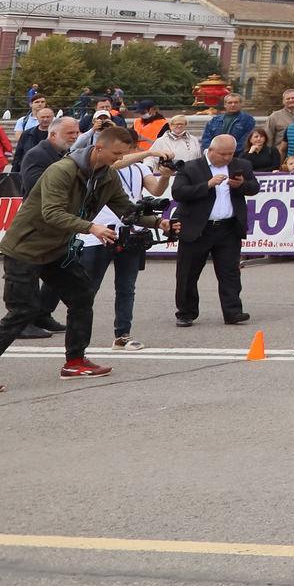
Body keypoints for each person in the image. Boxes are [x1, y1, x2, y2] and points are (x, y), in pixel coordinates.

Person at [0, 116, 145, 385]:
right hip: (25, 248)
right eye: (117, 153)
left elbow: (126, 209)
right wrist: (91, 228)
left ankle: (75, 362)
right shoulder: (62, 170)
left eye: (125, 154)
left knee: (82, 295)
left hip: (56, 250)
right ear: (99, 148)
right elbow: (52, 213)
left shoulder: (107, 175)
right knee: (23, 311)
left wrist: (159, 222)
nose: (120, 158)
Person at [83, 129, 172, 348]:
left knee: (126, 287)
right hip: (101, 233)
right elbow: (116, 165)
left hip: (131, 232)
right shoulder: (106, 166)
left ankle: (123, 334)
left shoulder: (140, 168)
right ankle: (79, 335)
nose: (128, 152)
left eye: (131, 147)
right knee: (88, 288)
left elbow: (156, 190)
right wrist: (149, 152)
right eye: (124, 149)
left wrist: (166, 175)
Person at [170, 132, 256, 330]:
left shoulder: (241, 165)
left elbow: (254, 187)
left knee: (230, 272)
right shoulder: (191, 168)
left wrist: (241, 185)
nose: (227, 158)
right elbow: (178, 193)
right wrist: (207, 185)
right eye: (223, 154)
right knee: (188, 273)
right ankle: (186, 312)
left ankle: (233, 311)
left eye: (231, 154)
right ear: (211, 150)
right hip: (197, 228)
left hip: (228, 228)